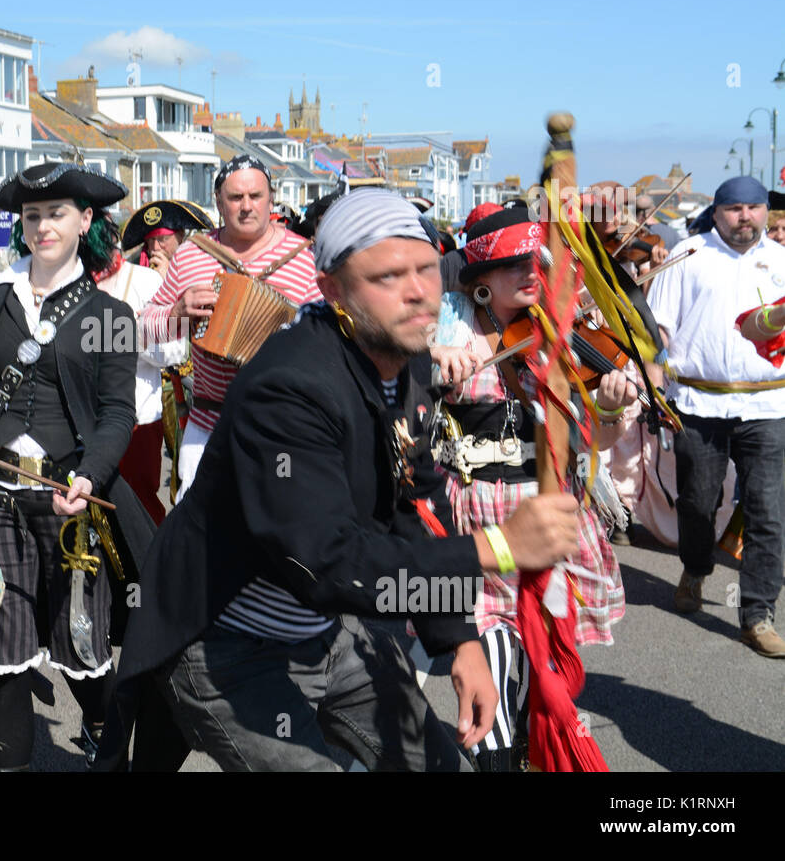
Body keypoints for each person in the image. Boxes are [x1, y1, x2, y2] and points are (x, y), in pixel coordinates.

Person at [97, 187, 579, 772]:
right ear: (332, 290)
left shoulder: (408, 357)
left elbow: (415, 504)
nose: (417, 292)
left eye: (427, 269)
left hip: (329, 630)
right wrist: (500, 547)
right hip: (225, 642)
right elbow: (325, 561)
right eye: (387, 276)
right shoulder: (289, 387)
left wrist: (459, 640)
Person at [0, 162, 154, 770]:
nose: (42, 226)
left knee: (80, 650)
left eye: (57, 213)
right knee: (2, 654)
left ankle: (106, 733)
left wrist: (90, 476)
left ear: (85, 220)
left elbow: (118, 413)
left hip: (71, 502)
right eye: (32, 215)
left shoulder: (107, 316)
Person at [429, 204, 632, 770]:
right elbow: (399, 373)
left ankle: (526, 737)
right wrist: (432, 357)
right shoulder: (450, 322)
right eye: (515, 264)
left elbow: (596, 442)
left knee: (537, 651)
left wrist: (609, 407)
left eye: (537, 262)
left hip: (547, 507)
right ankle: (496, 757)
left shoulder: (562, 329)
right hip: (480, 510)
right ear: (479, 281)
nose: (530, 274)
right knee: (490, 643)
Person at [646, 176, 785, 657]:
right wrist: (650, 379)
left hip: (768, 405)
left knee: (767, 511)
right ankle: (696, 566)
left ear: (766, 211)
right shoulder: (687, 256)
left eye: (753, 208)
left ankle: (757, 614)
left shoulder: (782, 262)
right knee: (697, 502)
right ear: (717, 211)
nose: (744, 216)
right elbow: (658, 328)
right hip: (699, 402)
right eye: (734, 209)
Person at [139, 154, 320, 496]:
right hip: (208, 427)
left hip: (282, 430)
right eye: (236, 198)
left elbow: (333, 340)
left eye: (256, 196)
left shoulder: (304, 258)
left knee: (280, 536)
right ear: (219, 202)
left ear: (271, 198)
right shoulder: (192, 254)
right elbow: (142, 330)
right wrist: (177, 311)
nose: (247, 206)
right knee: (198, 540)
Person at [97, 202, 196, 525]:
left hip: (144, 409)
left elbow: (173, 352)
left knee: (143, 500)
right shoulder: (77, 280)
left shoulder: (146, 280)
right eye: (150, 240)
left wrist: (123, 337)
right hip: (92, 416)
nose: (155, 247)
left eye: (163, 238)